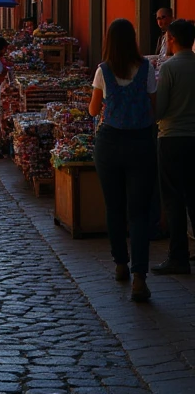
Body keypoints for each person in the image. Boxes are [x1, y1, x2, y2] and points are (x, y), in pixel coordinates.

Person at [89, 18, 156, 302]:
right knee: (139, 212)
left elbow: (93, 110)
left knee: (114, 207)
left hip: (110, 143)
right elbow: (153, 107)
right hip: (141, 142)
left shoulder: (103, 71)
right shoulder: (147, 68)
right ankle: (140, 276)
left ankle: (120, 263)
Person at [153, 18, 195, 275]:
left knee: (174, 200)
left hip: (172, 139)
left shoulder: (169, 68)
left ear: (173, 39)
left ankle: (178, 256)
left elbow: (160, 110)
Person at [154, 7, 174, 72]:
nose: (160, 22)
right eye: (158, 18)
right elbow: (157, 56)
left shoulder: (176, 38)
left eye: (163, 17)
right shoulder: (161, 38)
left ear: (171, 18)